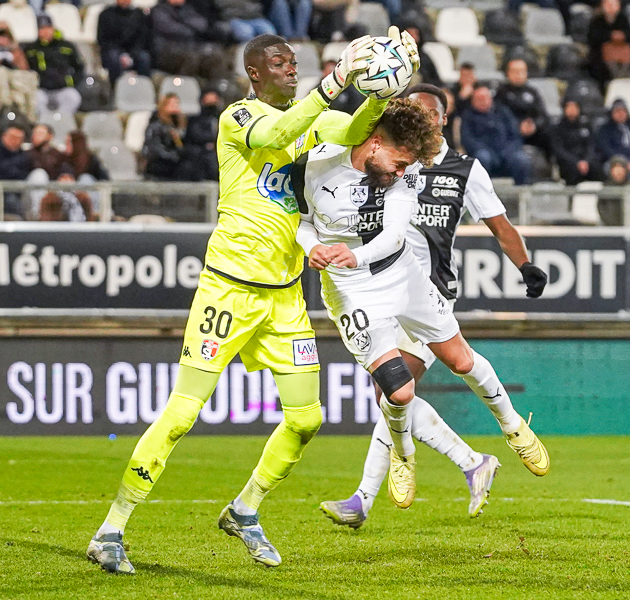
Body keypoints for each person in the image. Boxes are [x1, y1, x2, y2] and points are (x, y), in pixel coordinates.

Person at [85, 31, 415, 575]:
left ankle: (245, 509)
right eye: (280, 64)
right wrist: (335, 79)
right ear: (255, 73)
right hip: (229, 288)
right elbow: (280, 129)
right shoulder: (238, 118)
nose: (291, 70)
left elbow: (354, 130)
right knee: (182, 414)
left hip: (284, 297)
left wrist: (382, 89)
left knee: (307, 419)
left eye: (295, 63)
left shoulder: (310, 119)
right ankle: (111, 528)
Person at [293, 98, 549, 512]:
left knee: (461, 360)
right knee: (397, 390)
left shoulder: (412, 172)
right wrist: (313, 247)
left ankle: (513, 426)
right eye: (399, 162)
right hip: (349, 289)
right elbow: (301, 220)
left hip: (403, 274)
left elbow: (395, 236)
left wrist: (350, 254)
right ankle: (404, 456)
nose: (403, 171)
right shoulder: (313, 166)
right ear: (374, 143)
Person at [460, 83, 531, 185]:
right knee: (482, 158)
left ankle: (522, 192)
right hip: (483, 151)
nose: (483, 101)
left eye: (485, 98)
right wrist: (486, 151)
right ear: (473, 101)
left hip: (506, 150)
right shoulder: (468, 116)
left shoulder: (503, 112)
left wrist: (507, 150)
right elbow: (468, 140)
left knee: (521, 159)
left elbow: (515, 135)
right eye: (479, 99)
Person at [22, 15, 84, 116]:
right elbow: (25, 69)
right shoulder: (30, 49)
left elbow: (79, 67)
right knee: (36, 100)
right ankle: (45, 123)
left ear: (53, 28)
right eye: (42, 28)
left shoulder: (66, 46)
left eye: (48, 28)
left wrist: (72, 81)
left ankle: (61, 121)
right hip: (41, 89)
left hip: (62, 88)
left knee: (73, 97)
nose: (46, 31)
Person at [150, 0, 228, 80]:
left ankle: (216, 88)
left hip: (190, 47)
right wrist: (189, 26)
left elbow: (202, 24)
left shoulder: (187, 9)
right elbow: (174, 30)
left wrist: (182, 19)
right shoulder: (159, 10)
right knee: (192, 57)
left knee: (214, 54)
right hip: (166, 51)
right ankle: (185, 87)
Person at [494, 58, 551, 157]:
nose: (519, 75)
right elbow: (498, 116)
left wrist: (534, 125)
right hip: (510, 133)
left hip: (532, 131)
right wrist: (517, 126)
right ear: (508, 73)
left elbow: (542, 114)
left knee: (550, 132)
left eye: (522, 71)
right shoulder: (501, 93)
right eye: (515, 71)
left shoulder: (532, 92)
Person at [97, 0, 152, 85]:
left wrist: (131, 55)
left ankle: (144, 89)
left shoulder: (139, 14)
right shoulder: (106, 14)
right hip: (112, 51)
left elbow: (142, 39)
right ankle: (114, 89)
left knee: (144, 58)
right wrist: (122, 55)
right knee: (113, 58)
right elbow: (102, 39)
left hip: (133, 52)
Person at [553, 98, 604, 185]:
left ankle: (601, 197)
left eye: (575, 107)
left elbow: (591, 146)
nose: (572, 110)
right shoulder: (558, 128)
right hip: (569, 162)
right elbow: (559, 150)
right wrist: (577, 162)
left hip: (586, 160)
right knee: (571, 172)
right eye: (569, 107)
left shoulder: (586, 125)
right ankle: (572, 197)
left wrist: (586, 161)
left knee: (597, 168)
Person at [586, 0, 630, 84]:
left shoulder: (623, 20)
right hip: (601, 61)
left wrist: (622, 36)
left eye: (614, 4)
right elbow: (592, 39)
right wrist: (610, 36)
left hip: (623, 59)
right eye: (608, 4)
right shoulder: (597, 21)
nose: (610, 7)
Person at [142, 93, 187, 180]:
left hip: (175, 166)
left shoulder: (180, 126)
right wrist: (175, 156)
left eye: (176, 104)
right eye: (172, 104)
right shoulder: (155, 126)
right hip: (159, 167)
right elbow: (155, 149)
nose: (175, 107)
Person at [0, 21, 38, 123]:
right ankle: (6, 102)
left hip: (15, 83)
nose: (2, 39)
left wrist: (13, 55)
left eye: (4, 36)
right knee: (2, 72)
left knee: (29, 77)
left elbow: (24, 68)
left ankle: (29, 119)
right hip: (2, 84)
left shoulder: (15, 49)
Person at [180, 89, 222, 181]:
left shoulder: (223, 119)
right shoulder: (194, 121)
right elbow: (195, 136)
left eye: (214, 101)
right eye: (209, 101)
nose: (211, 104)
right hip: (198, 158)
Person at [0, 124, 30, 218]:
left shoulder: (24, 156)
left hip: (17, 190)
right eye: (13, 137)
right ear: (4, 136)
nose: (15, 141)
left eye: (19, 138)